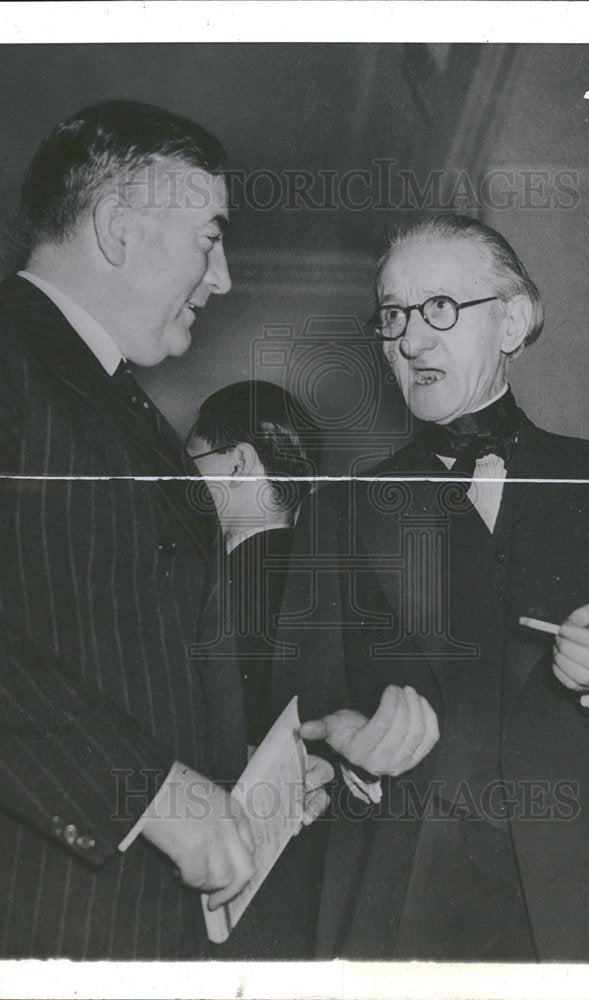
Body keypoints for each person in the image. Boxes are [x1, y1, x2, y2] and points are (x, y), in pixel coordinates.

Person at [0, 100, 329, 960]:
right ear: (119, 230)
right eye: (211, 237)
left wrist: (249, 793)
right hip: (31, 912)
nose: (226, 278)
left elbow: (122, 659)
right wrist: (155, 797)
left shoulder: (116, 401)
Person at [273, 215, 589, 962]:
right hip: (410, 900)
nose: (410, 341)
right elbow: (295, 716)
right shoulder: (338, 513)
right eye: (393, 315)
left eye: (439, 308)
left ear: (512, 321)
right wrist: (347, 750)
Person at [186, 379, 330, 956]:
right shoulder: (317, 571)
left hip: (227, 860)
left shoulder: (221, 584)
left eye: (191, 462)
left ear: (240, 463)